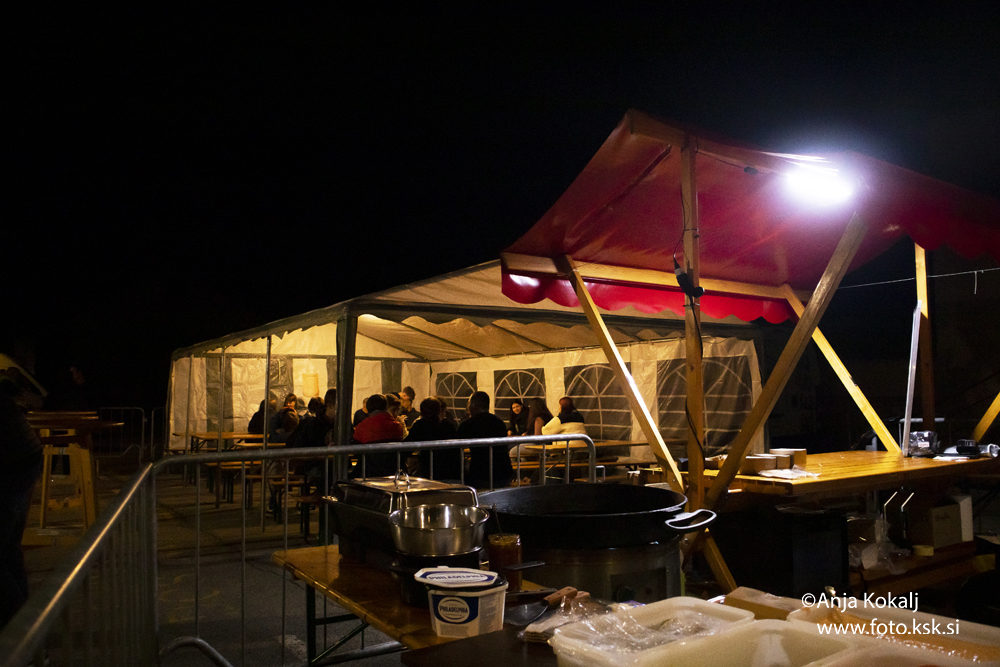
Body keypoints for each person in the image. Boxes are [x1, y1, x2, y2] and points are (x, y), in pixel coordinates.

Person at [0, 369, 44, 629]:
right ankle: (24, 627)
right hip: (23, 458)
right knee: (8, 549)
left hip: (11, 464)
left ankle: (20, 631)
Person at [458, 391, 513, 489]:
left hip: (480, 474)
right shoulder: (499, 423)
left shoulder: (467, 424)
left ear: (473, 405)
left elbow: (456, 448)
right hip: (503, 473)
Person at [351, 394, 406, 477]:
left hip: (370, 473)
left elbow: (356, 446)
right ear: (385, 407)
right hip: (393, 471)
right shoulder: (397, 426)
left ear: (368, 409)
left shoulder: (362, 427)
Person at [409, 397, 462, 480]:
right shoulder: (448, 425)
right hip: (452, 472)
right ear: (439, 411)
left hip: (431, 473)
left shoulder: (420, 425)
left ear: (422, 412)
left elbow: (407, 447)